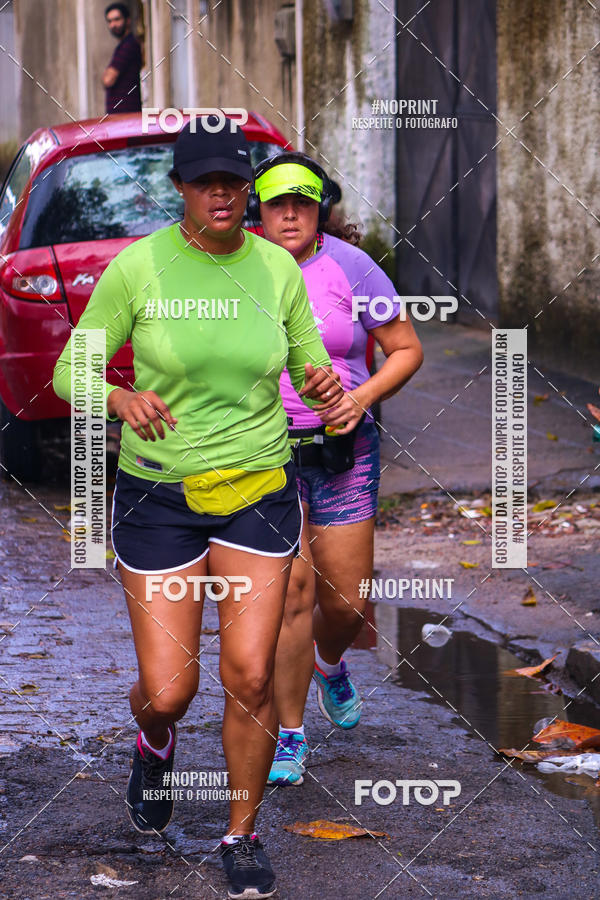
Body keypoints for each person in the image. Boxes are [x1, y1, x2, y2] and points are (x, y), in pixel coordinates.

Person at [53, 123, 342, 899]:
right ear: (177, 189)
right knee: (169, 688)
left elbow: (310, 358)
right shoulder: (140, 267)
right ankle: (154, 744)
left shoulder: (278, 268)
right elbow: (66, 372)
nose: (222, 193)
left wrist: (320, 385)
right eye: (204, 181)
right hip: (159, 495)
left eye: (233, 181)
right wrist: (115, 394)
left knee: (248, 676)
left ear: (247, 187)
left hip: (258, 488)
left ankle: (240, 833)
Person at [250, 152, 423, 786]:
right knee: (292, 595)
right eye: (276, 202)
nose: (290, 212)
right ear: (257, 210)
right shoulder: (237, 270)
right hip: (262, 452)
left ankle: (331, 660)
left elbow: (405, 348)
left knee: (346, 604)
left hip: (341, 450)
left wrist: (360, 398)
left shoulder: (353, 267)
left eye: (303, 200)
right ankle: (290, 734)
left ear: (322, 205)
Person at [103, 3, 142, 113]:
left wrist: (106, 75)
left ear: (127, 20)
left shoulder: (129, 45)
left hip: (126, 116)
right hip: (121, 117)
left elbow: (108, 79)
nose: (113, 25)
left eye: (117, 19)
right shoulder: (122, 45)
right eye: (110, 21)